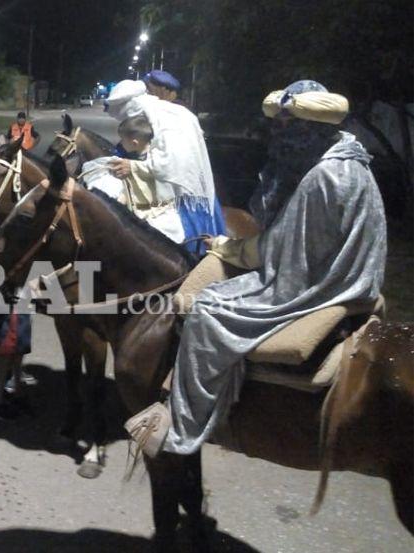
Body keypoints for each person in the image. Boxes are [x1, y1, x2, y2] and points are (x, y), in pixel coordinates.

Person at [134, 80, 387, 457]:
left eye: (285, 127)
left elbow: (285, 256)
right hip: (344, 269)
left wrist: (226, 247)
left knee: (206, 310)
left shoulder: (323, 178)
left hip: (322, 282)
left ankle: (186, 430)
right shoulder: (348, 159)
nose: (276, 136)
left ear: (308, 128)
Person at [104, 79, 225, 255]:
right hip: (173, 191)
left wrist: (133, 167)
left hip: (185, 200)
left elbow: (170, 164)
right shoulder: (162, 113)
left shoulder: (169, 121)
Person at [82, 115, 185, 243]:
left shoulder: (150, 162)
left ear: (134, 143)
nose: (120, 143)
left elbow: (146, 183)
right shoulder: (146, 156)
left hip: (154, 213)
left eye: (122, 140)